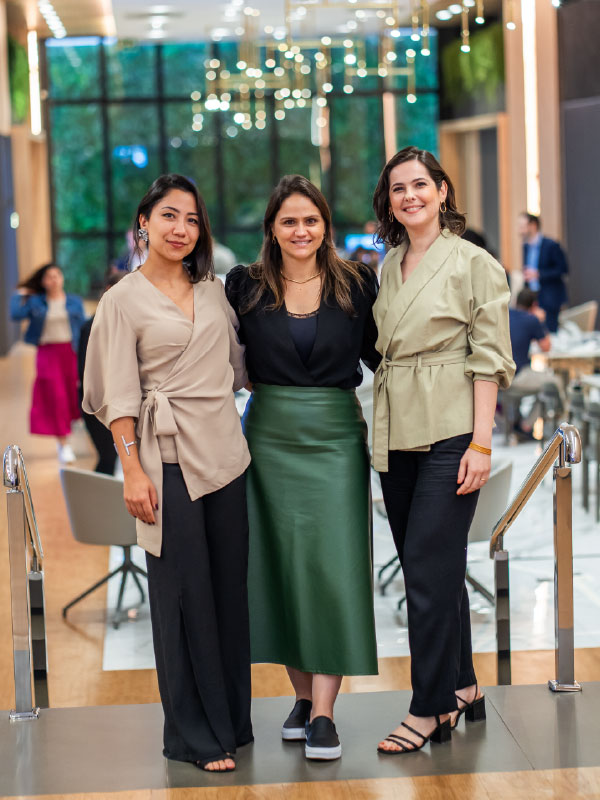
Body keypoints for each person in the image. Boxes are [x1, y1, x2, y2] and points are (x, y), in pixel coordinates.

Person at [83, 174, 252, 773]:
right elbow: (117, 398)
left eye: (192, 219)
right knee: (182, 597)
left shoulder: (213, 292)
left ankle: (233, 721)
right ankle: (193, 734)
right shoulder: (122, 300)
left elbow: (240, 370)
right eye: (169, 216)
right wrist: (132, 470)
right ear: (145, 224)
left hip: (226, 457)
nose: (182, 229)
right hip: (164, 460)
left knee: (229, 592)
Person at [225, 175, 380, 762]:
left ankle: (324, 712)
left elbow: (381, 351)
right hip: (267, 438)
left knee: (332, 569)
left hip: (337, 439)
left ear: (325, 227)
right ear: (272, 228)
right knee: (279, 568)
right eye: (289, 221)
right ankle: (300, 696)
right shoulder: (244, 285)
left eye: (310, 220)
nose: (300, 230)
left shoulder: (356, 282)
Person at [371, 146, 515, 754]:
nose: (409, 196)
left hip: (453, 429)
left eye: (419, 185)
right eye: (398, 188)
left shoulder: (475, 263)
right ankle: (463, 686)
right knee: (430, 570)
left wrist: (480, 442)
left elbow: (490, 359)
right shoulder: (389, 264)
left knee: (428, 578)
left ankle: (428, 708)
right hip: (396, 426)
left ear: (443, 190)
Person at [10, 263, 86, 463]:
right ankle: (64, 444)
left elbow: (85, 327)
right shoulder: (36, 303)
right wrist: (20, 294)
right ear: (43, 281)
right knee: (57, 396)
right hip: (47, 353)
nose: (54, 280)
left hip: (70, 352)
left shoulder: (74, 302)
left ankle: (66, 432)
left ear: (62, 278)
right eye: (49, 277)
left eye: (57, 275)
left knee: (71, 395)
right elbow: (15, 314)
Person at [77, 273, 124, 474]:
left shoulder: (129, 323)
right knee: (108, 457)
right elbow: (87, 372)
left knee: (114, 458)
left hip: (118, 402)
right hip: (100, 405)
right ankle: (98, 501)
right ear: (108, 290)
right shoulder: (93, 326)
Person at [509, 288, 562, 434]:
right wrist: (541, 321)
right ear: (534, 305)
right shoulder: (531, 319)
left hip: (503, 374)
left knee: (542, 380)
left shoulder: (506, 314)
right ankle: (526, 426)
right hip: (518, 376)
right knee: (554, 383)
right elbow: (546, 346)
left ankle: (519, 421)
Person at [517, 212, 568, 333]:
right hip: (532, 297)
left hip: (549, 297)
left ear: (533, 225)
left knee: (550, 332)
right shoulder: (525, 246)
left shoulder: (551, 245)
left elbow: (563, 269)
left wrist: (538, 274)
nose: (520, 230)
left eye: (522, 226)